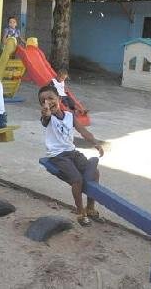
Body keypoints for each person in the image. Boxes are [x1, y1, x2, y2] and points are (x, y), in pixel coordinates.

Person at [38, 85, 104, 226]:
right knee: (77, 180)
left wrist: (95, 143)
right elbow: (45, 118)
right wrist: (46, 113)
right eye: (43, 101)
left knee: (95, 173)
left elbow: (83, 131)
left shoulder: (69, 116)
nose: (47, 102)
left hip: (72, 152)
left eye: (50, 98)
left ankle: (91, 207)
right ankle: (80, 212)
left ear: (59, 99)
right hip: (58, 156)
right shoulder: (48, 118)